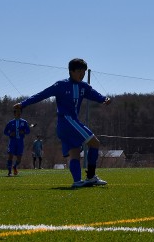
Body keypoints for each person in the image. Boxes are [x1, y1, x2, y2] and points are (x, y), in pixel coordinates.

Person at [15, 58, 111, 188]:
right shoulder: (61, 85)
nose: (82, 75)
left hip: (66, 125)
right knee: (95, 143)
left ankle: (77, 181)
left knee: (75, 152)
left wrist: (104, 99)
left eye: (83, 72)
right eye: (79, 72)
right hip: (67, 121)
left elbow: (94, 94)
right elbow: (42, 95)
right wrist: (23, 104)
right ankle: (91, 177)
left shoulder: (83, 86)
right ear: (71, 71)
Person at [4, 106, 31, 176]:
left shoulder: (24, 122)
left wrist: (24, 131)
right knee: (10, 156)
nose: (19, 113)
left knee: (19, 159)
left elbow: (28, 131)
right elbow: (5, 132)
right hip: (12, 141)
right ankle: (9, 172)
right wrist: (10, 133)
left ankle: (15, 166)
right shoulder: (10, 122)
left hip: (20, 142)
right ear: (14, 113)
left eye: (20, 112)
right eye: (17, 112)